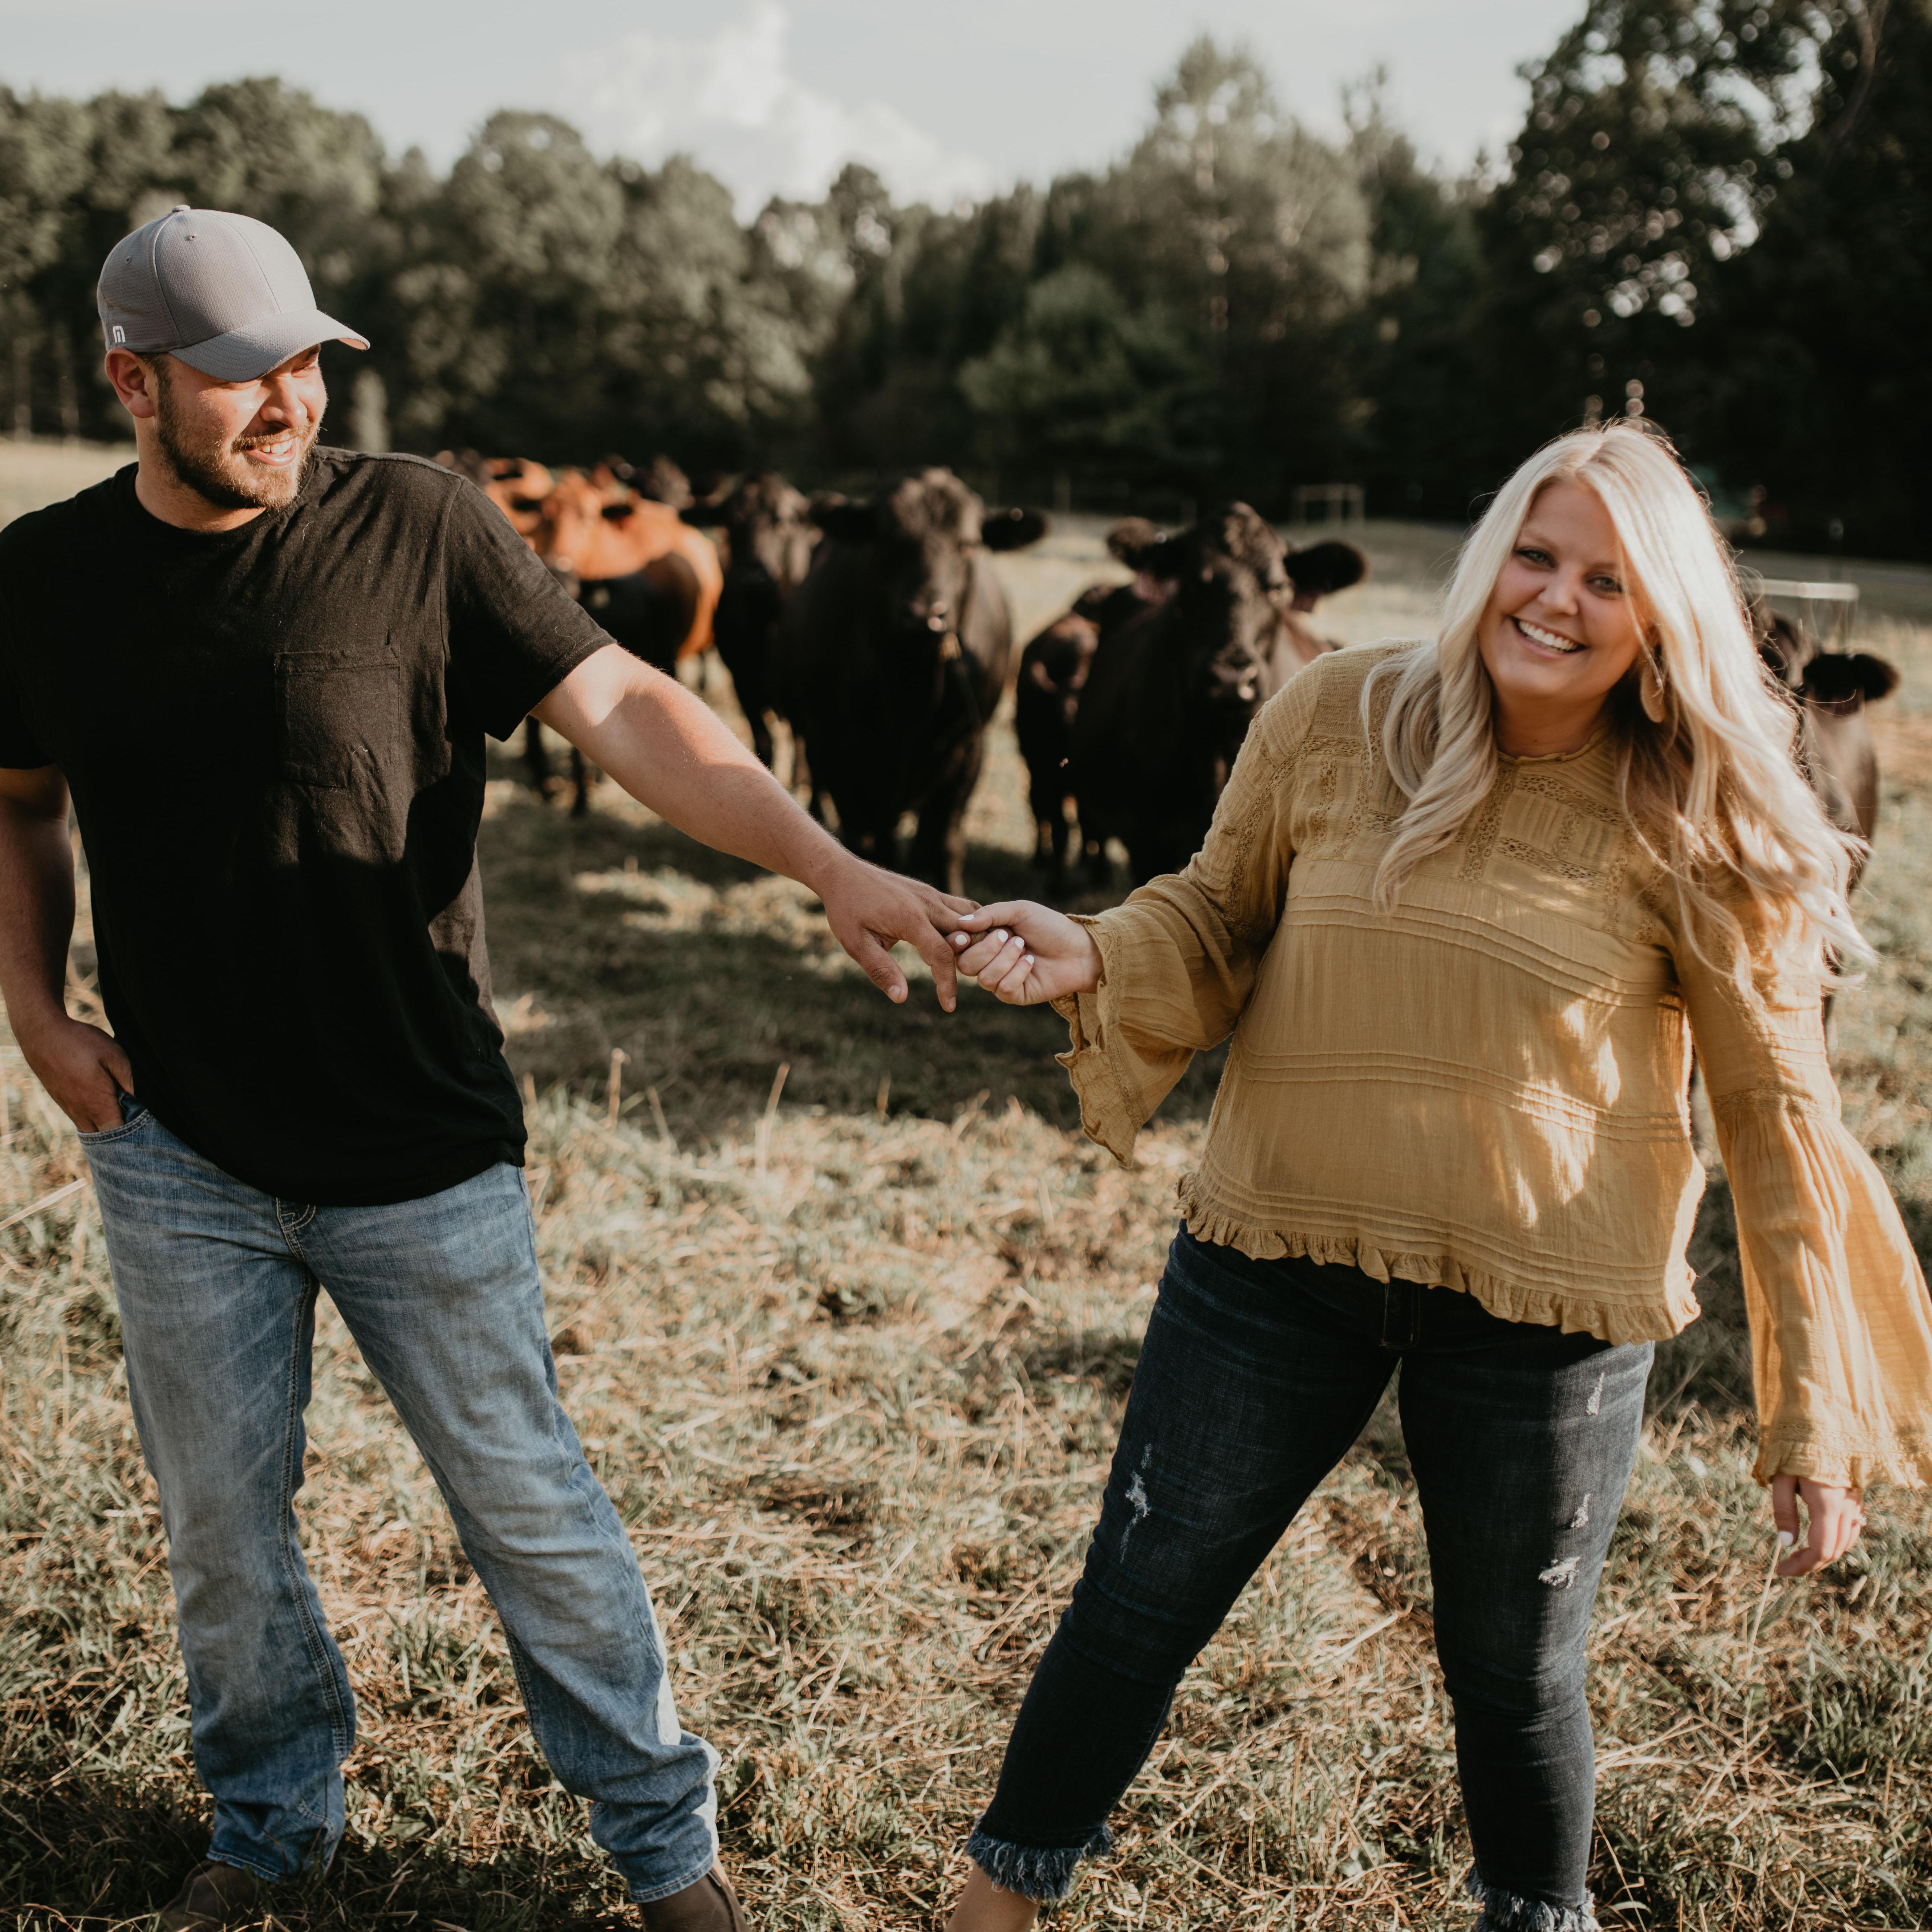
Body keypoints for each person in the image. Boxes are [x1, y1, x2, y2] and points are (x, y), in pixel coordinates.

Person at [0, 206, 970, 1932]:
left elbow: (627, 713)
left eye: (306, 359)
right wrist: (34, 1008)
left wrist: (824, 863)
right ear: (131, 381)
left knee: (532, 1513)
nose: (287, 400)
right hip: (176, 1151)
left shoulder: (425, 527)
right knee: (224, 1533)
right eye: (238, 376)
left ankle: (669, 1860)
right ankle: (269, 1827)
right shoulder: (42, 578)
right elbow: (13, 802)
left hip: (420, 1145)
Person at [938, 421, 1932, 1932]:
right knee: (1135, 1605)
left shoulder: (1699, 804)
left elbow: (1775, 1109)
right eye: (1533, 555)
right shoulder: (1338, 713)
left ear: (1662, 609)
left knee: (1518, 1677)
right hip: (1271, 1261)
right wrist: (1094, 946)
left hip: (1545, 1318)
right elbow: (1216, 916)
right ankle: (989, 1905)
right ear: (1488, 557)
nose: (1555, 598)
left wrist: (1812, 1411)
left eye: (1606, 577)